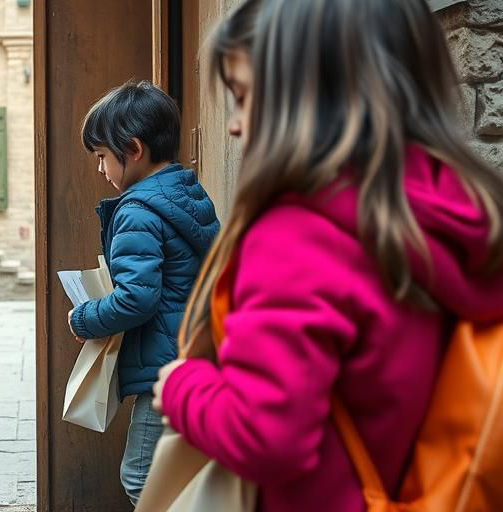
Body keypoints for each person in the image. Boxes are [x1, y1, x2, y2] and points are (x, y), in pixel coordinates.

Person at [154, 1, 503, 511]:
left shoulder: (298, 239)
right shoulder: (456, 211)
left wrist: (182, 387)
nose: (234, 125)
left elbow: (266, 436)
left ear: (308, 98)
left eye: (244, 97)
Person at [67, 80, 219, 504]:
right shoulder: (186, 193)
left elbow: (137, 297)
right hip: (198, 355)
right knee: (184, 477)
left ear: (133, 149)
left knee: (142, 479)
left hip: (164, 371)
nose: (100, 169)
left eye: (102, 156)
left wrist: (83, 317)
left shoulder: (138, 210)